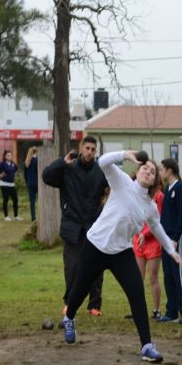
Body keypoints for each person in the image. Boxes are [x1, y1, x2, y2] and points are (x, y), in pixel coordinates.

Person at [61, 151, 180, 363]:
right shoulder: (122, 182)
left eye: (153, 172)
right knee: (79, 289)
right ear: (138, 170)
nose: (148, 172)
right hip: (95, 245)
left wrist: (171, 251)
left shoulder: (150, 206)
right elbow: (103, 161)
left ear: (154, 181)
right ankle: (69, 317)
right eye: (145, 168)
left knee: (137, 295)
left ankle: (146, 346)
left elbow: (157, 227)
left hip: (121, 253)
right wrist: (126, 154)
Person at [42, 136, 108, 317]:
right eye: (87, 148)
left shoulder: (100, 171)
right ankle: (69, 303)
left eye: (93, 149)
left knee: (96, 267)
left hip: (94, 226)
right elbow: (46, 177)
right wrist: (61, 163)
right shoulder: (68, 168)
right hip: (72, 226)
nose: (90, 152)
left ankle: (94, 305)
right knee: (72, 266)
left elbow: (114, 188)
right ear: (81, 148)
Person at [157, 157, 182, 324]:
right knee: (168, 276)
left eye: (162, 169)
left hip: (175, 239)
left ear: (170, 170)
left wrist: (176, 238)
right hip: (165, 239)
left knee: (179, 275)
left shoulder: (180, 189)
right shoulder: (166, 190)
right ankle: (171, 311)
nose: (160, 172)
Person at [132, 187, 165, 321]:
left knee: (153, 277)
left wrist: (146, 234)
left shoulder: (159, 196)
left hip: (153, 241)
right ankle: (137, 311)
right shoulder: (136, 192)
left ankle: (156, 310)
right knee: (137, 278)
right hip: (138, 239)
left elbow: (158, 219)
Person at [0, 150, 22, 221]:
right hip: (4, 184)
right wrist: (0, 174)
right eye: (8, 155)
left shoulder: (12, 164)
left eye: (10, 155)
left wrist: (11, 174)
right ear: (5, 157)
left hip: (12, 185)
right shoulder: (2, 164)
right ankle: (6, 216)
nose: (10, 156)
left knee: (15, 200)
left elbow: (16, 169)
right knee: (6, 200)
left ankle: (16, 216)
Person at [24, 146, 38, 222]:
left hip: (30, 183)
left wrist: (27, 182)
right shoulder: (37, 160)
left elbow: (25, 175)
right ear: (36, 152)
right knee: (40, 201)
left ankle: (33, 218)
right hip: (38, 184)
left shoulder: (26, 162)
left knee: (32, 202)